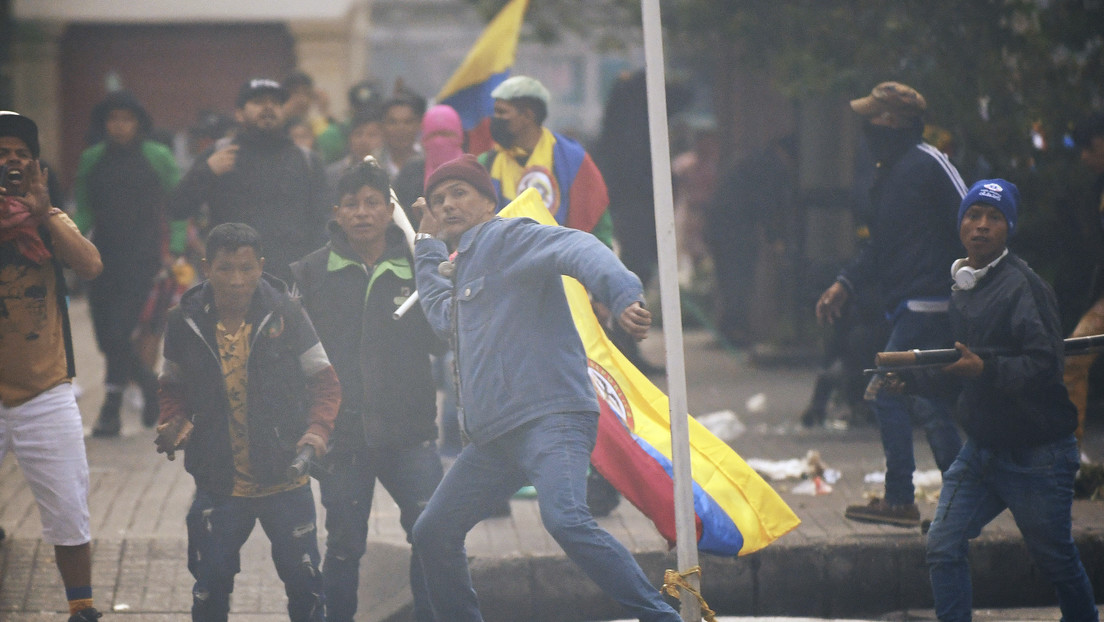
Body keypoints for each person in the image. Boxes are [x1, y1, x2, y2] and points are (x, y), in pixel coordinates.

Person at [408, 154, 680, 621]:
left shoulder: (508, 235)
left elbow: (578, 247)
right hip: (494, 438)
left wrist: (621, 295)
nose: (448, 204)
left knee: (565, 520)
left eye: (459, 193)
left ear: (488, 201)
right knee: (432, 532)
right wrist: (427, 248)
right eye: (438, 199)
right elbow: (440, 315)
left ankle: (661, 616)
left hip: (551, 417)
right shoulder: (463, 266)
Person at [923, 179, 1098, 622]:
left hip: (1037, 453)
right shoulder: (964, 285)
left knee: (1057, 560)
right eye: (973, 215)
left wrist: (987, 369)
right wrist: (911, 382)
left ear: (1008, 228)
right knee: (943, 544)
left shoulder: (1024, 287)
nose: (981, 226)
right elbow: (961, 368)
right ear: (960, 223)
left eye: (993, 218)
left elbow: (1044, 363)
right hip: (982, 448)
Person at [154, 223, 340, 622]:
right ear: (207, 267)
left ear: (260, 267)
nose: (237, 280)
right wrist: (172, 421)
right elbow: (171, 385)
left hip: (286, 479)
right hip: (219, 482)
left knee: (306, 589)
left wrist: (318, 431)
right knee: (209, 589)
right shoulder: (182, 320)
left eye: (246, 268)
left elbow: (325, 381)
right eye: (225, 269)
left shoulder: (288, 313)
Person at [290, 161, 443, 622]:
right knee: (342, 547)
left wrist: (436, 268)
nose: (361, 213)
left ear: (387, 209)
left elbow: (442, 341)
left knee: (432, 537)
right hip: (343, 439)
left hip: (410, 432)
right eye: (351, 204)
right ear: (336, 213)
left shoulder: (416, 265)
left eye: (372, 203)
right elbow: (294, 361)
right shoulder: (310, 273)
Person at [816, 82, 967, 528]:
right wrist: (845, 283)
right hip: (909, 302)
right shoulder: (892, 168)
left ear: (895, 123)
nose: (868, 126)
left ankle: (903, 497)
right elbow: (881, 245)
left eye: (875, 116)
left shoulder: (928, 163)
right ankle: (961, 497)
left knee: (887, 393)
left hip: (931, 303)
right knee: (927, 402)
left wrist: (963, 284)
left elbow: (974, 218)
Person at [0, 111, 105, 621]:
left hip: (46, 392)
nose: (11, 161)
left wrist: (42, 216)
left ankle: (81, 607)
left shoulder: (49, 218)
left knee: (68, 508)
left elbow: (90, 266)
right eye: (1, 153)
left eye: (21, 154)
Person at [72, 90, 183, 436]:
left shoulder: (157, 156)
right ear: (104, 124)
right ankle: (150, 386)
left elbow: (177, 204)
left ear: (139, 123)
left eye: (127, 119)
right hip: (100, 258)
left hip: (142, 259)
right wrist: (70, 245)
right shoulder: (91, 158)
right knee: (107, 339)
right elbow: (83, 209)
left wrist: (177, 247)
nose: (120, 127)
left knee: (121, 332)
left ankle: (110, 408)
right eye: (113, 120)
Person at [169, 78, 328, 281]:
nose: (269, 107)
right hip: (231, 281)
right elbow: (177, 208)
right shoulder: (220, 154)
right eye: (259, 101)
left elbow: (322, 223)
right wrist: (207, 172)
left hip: (291, 283)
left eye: (276, 102)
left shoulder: (307, 161)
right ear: (239, 113)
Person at [477, 75, 614, 246]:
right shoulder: (486, 163)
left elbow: (595, 215)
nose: (494, 119)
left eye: (502, 112)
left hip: (564, 264)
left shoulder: (573, 159)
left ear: (528, 115)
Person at [1063, 112, 1104, 441]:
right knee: (1075, 356)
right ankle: (1068, 456)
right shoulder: (1096, 190)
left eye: (1089, 148)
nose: (1085, 157)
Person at [324, 110, 384, 204]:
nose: (364, 140)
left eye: (372, 135)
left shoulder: (389, 172)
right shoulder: (332, 175)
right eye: (358, 134)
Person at [376, 94, 426, 182]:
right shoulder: (374, 164)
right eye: (393, 122)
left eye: (408, 122)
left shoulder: (428, 160)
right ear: (382, 126)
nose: (400, 129)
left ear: (419, 125)